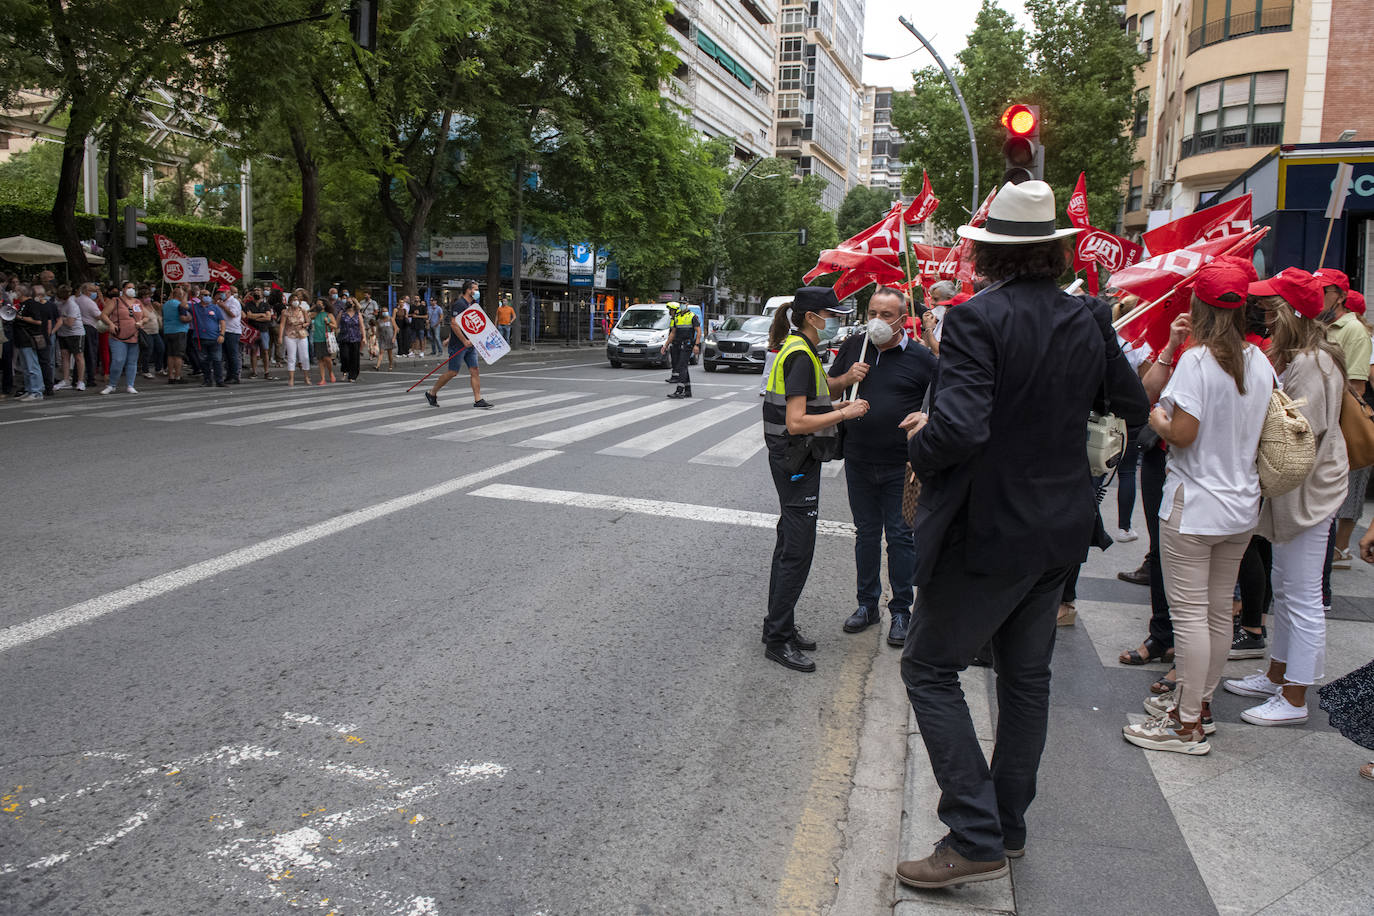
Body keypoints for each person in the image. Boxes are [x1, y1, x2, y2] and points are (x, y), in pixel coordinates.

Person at [895, 181, 1148, 889]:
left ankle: (973, 832)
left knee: (927, 667)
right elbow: (1130, 403)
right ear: (1057, 251)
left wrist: (920, 440)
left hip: (991, 531)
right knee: (1026, 680)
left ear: (992, 254)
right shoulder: (1089, 316)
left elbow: (964, 427)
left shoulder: (977, 319)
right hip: (1059, 528)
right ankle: (1006, 827)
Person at [1122, 260, 1274, 757]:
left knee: (1191, 618)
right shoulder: (1259, 361)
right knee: (1213, 616)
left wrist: (1158, 417)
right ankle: (1198, 709)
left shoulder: (1199, 361)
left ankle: (1185, 723)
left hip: (1194, 504)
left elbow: (1182, 433)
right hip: (1240, 505)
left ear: (1199, 307)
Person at [1217, 268, 1348, 725]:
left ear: (1291, 312)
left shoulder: (1313, 362)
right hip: (1300, 492)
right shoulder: (1306, 357)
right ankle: (1277, 675)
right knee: (1291, 591)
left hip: (1310, 493)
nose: (1265, 314)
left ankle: (1294, 697)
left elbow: (1299, 432)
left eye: (1273, 307)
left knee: (1301, 595)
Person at [762, 287, 866, 673]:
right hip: (796, 457)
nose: (834, 320)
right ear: (812, 317)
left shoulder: (795, 348)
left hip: (790, 456)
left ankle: (780, 625)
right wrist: (846, 413)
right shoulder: (801, 355)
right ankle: (777, 639)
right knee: (797, 551)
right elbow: (797, 421)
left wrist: (836, 404)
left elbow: (808, 403)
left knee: (788, 541)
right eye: (831, 313)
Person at [828, 286, 936, 647]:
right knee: (866, 535)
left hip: (902, 465)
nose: (877, 321)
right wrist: (846, 379)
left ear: (902, 320)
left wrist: (925, 416)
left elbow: (943, 397)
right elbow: (826, 389)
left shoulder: (921, 358)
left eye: (886, 315)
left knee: (902, 538)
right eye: (873, 312)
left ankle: (902, 610)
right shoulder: (854, 347)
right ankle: (866, 604)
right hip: (859, 459)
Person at [1314, 268, 1371, 569]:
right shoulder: (1318, 324)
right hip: (1320, 422)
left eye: (1322, 291)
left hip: (1337, 424)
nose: (1317, 295)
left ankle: (1337, 550)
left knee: (1341, 495)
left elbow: (1357, 386)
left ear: (1339, 296)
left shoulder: (1352, 330)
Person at [425, 280, 491, 409]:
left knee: (475, 370)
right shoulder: (459, 304)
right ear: (468, 290)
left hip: (470, 344)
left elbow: (466, 324)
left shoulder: (472, 304)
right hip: (459, 345)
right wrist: (463, 341)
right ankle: (432, 393)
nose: (477, 292)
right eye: (475, 289)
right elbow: (454, 324)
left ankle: (478, 400)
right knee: (453, 372)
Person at [99, 282, 146, 395]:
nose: (132, 290)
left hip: (134, 336)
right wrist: (110, 324)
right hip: (118, 336)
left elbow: (146, 316)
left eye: (133, 288)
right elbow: (103, 314)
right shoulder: (115, 301)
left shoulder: (138, 302)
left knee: (132, 362)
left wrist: (141, 322)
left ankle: (130, 385)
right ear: (123, 289)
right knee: (118, 360)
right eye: (129, 288)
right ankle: (111, 384)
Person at [11, 285, 47, 401]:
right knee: (25, 367)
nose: (14, 292)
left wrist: (20, 318)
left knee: (32, 366)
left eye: (16, 291)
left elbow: (38, 321)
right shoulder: (21, 305)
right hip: (21, 339)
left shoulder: (31, 304)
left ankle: (36, 391)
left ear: (22, 292)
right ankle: (29, 389)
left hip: (28, 339)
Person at [662, 302, 701, 399]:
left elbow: (699, 331)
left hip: (687, 345)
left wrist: (696, 345)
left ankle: (679, 390)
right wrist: (665, 345)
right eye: (681, 303)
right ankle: (688, 391)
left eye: (684, 303)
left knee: (681, 366)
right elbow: (673, 333)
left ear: (687, 305)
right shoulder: (677, 317)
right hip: (679, 345)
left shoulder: (692, 316)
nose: (682, 305)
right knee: (683, 367)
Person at [52, 284, 85, 392]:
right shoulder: (59, 304)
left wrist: (61, 319)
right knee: (64, 356)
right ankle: (66, 380)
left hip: (75, 333)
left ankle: (80, 381)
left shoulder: (72, 305)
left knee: (78, 356)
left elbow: (70, 322)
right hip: (63, 334)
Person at [279, 291, 312, 386]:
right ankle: (291, 378)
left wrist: (304, 324)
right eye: (293, 300)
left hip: (302, 334)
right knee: (291, 357)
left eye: (297, 300)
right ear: (290, 301)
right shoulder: (285, 312)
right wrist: (280, 337)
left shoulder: (303, 311)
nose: (295, 301)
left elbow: (308, 322)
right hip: (290, 335)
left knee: (305, 356)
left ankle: (306, 377)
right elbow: (282, 325)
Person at [162, 284, 192, 385]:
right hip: (179, 331)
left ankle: (171, 376)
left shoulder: (166, 304)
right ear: (179, 295)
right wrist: (190, 318)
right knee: (178, 355)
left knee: (170, 355)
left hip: (168, 331)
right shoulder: (180, 305)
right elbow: (183, 318)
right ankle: (178, 376)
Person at [243, 289, 275, 379]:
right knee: (253, 351)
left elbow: (268, 317)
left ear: (261, 294)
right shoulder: (248, 305)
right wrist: (262, 315)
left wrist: (255, 317)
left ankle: (266, 372)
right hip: (253, 331)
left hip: (264, 330)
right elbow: (248, 316)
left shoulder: (266, 305)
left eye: (258, 291)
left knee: (265, 351)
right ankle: (254, 372)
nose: (257, 293)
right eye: (255, 292)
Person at [336, 297, 367, 382]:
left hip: (355, 338)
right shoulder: (342, 313)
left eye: (350, 302)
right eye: (347, 302)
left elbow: (361, 326)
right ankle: (345, 371)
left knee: (354, 357)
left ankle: (352, 375)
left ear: (354, 304)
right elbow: (336, 324)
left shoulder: (358, 314)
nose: (349, 304)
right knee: (345, 356)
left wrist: (364, 337)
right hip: (344, 338)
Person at [309, 300, 337, 386]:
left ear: (324, 306)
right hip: (317, 339)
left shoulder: (329, 315)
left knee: (327, 358)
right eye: (317, 304)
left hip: (326, 339)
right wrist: (312, 308)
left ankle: (331, 372)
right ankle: (322, 378)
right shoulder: (315, 314)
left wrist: (328, 323)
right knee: (320, 359)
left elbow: (335, 326)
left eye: (320, 304)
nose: (318, 305)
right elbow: (305, 315)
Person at [373, 300, 397, 371]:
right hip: (382, 338)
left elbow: (395, 329)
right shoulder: (379, 321)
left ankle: (390, 365)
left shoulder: (391, 319)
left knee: (390, 353)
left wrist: (394, 337)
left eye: (386, 311)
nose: (384, 312)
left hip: (390, 337)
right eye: (383, 311)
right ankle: (377, 365)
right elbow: (378, 329)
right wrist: (376, 337)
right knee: (381, 352)